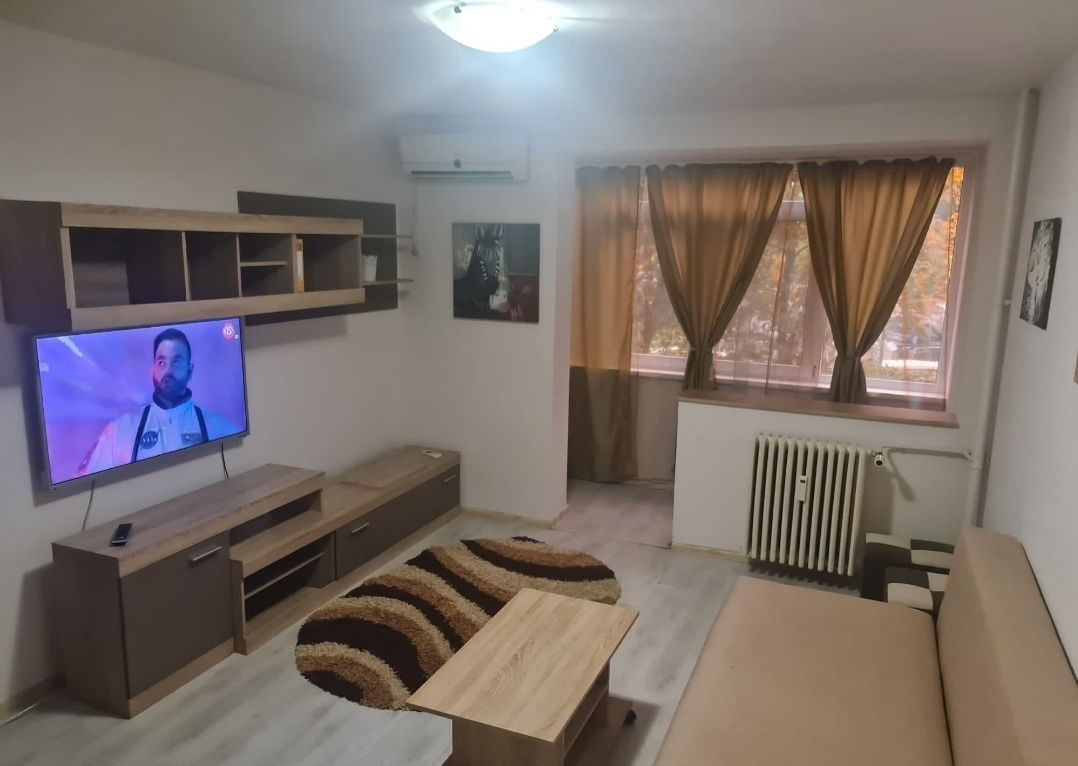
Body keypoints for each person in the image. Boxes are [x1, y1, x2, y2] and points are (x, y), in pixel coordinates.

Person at [79, 328, 240, 475]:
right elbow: (89, 480)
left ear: (190, 370)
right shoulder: (120, 430)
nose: (168, 370)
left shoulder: (219, 427)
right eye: (162, 363)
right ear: (153, 370)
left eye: (176, 362)